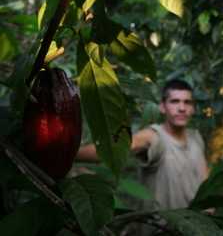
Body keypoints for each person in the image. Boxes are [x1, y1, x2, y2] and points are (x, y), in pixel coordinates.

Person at [76, 79, 209, 210]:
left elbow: (205, 181)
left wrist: (209, 209)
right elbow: (114, 148)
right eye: (175, 101)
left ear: (193, 108)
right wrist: (69, 154)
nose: (182, 108)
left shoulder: (195, 137)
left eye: (187, 102)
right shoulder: (154, 136)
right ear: (162, 107)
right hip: (160, 227)